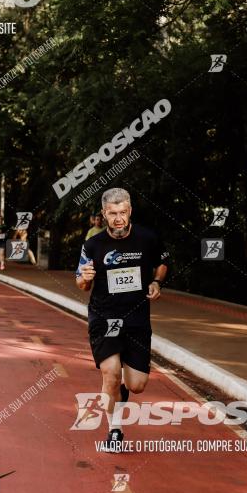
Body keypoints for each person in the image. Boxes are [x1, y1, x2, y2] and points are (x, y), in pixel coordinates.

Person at [75, 187, 168, 450]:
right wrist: (86, 279)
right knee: (111, 373)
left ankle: (122, 390)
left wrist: (156, 282)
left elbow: (162, 262)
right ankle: (114, 429)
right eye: (113, 213)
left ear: (130, 212)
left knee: (137, 385)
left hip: (137, 318)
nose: (118, 218)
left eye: (123, 212)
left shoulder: (147, 238)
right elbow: (81, 282)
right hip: (104, 317)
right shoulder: (93, 245)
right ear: (104, 214)